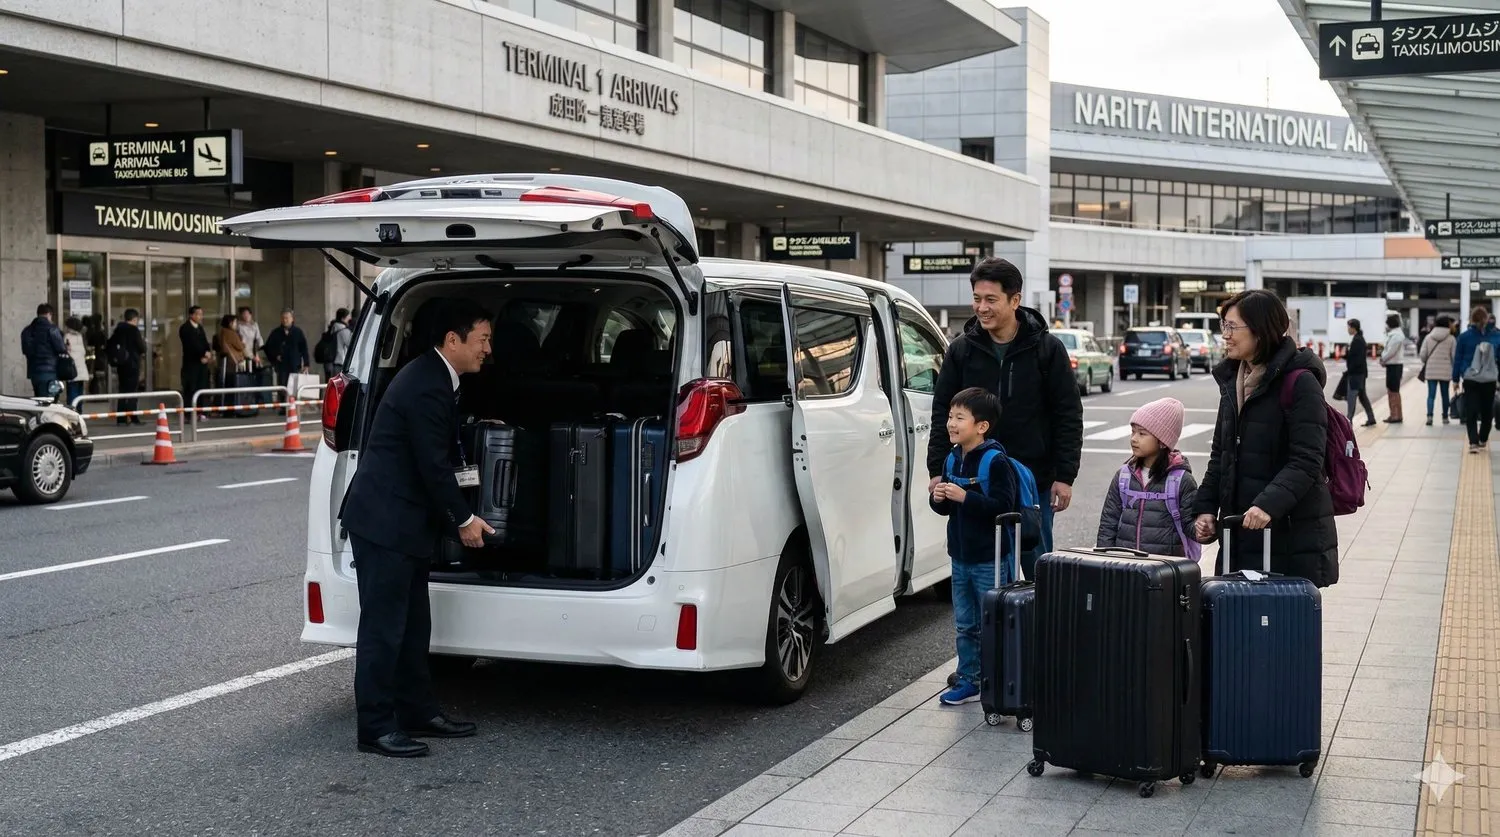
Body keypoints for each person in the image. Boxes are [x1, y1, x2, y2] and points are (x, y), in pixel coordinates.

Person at [339, 298, 494, 758]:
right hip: (385, 522)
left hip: (402, 522)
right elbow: (432, 466)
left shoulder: (436, 377)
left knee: (412, 626)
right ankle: (375, 727)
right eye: (483, 339)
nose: (489, 349)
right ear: (454, 339)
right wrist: (464, 520)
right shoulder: (428, 384)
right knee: (384, 629)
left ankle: (418, 711)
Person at [927, 257, 1083, 579]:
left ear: (1015, 300)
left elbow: (1067, 413)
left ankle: (1039, 629)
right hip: (975, 480)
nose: (981, 308)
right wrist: (936, 469)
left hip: (1032, 480)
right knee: (985, 575)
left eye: (991, 300)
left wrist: (1065, 475)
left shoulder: (1047, 350)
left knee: (1039, 574)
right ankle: (993, 630)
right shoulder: (961, 351)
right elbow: (944, 410)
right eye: (976, 299)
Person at [1191, 289, 1338, 588]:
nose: (1226, 336)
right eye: (1224, 327)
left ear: (1260, 330)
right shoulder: (1234, 381)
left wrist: (1268, 505)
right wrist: (1205, 508)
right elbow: (1221, 455)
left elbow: (1308, 460)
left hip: (1285, 533)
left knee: (1279, 625)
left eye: (1232, 327)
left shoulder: (1300, 382)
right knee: (1237, 624)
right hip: (1240, 530)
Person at [928, 387, 1017, 707]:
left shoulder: (996, 461)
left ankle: (1003, 678)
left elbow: (1006, 507)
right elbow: (945, 508)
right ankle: (970, 678)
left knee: (995, 621)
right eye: (950, 417)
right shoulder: (952, 457)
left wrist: (967, 497)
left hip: (990, 557)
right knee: (965, 623)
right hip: (960, 555)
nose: (951, 423)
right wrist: (938, 499)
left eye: (959, 418)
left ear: (982, 426)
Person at [1096, 397, 1200, 560]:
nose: (1134, 439)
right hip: (1125, 566)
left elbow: (1191, 527)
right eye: (1133, 431)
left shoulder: (1181, 480)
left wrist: (1204, 529)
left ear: (1162, 441)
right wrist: (1103, 561)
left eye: (1142, 433)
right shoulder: (1123, 476)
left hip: (1163, 571)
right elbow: (1108, 524)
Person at [1452, 305, 1500, 453]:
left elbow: (1458, 359)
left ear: (1471, 319)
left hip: (1470, 378)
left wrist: (1455, 379)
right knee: (1487, 411)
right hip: (1490, 379)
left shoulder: (1464, 337)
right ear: (1486, 318)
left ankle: (1473, 442)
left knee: (1471, 410)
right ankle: (1483, 438)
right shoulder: (1496, 336)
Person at [106, 310, 148, 425]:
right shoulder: (133, 330)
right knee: (132, 391)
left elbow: (109, 345)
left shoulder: (118, 330)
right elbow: (142, 348)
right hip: (132, 364)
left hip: (121, 365)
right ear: (135, 319)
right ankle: (133, 417)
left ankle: (121, 418)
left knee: (123, 391)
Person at [20, 303, 66, 399]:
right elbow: (61, 348)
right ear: (49, 314)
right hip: (50, 371)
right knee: (49, 402)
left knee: (39, 400)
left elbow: (25, 350)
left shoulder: (27, 330)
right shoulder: (52, 329)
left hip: (34, 372)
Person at [1418, 315, 1456, 426]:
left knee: (1431, 395)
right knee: (1445, 395)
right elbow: (1454, 356)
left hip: (1431, 370)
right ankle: (1445, 417)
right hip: (1445, 370)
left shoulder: (1429, 337)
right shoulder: (1451, 338)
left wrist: (1429, 361)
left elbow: (1422, 355)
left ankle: (1429, 417)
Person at [264, 308, 310, 390]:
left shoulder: (298, 332)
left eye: (287, 318)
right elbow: (268, 348)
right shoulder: (276, 332)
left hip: (295, 365)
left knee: (294, 389)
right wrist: (275, 356)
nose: (285, 320)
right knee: (283, 388)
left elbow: (304, 348)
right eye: (283, 318)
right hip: (282, 366)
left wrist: (306, 364)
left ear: (292, 319)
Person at [179, 305, 213, 413]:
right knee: (190, 388)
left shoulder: (200, 327)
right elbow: (191, 345)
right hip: (191, 363)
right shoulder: (185, 328)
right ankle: (190, 413)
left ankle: (201, 412)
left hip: (202, 364)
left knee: (201, 387)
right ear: (191, 315)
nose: (200, 317)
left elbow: (204, 342)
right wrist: (202, 354)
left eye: (201, 314)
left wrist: (207, 353)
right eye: (198, 314)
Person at [1343, 319, 1377, 427]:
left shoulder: (1357, 340)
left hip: (1355, 375)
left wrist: (1350, 368)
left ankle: (1349, 422)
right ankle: (1371, 418)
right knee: (1362, 397)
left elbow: (1357, 359)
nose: (1348, 329)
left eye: (1349, 327)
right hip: (1360, 374)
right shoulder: (1359, 339)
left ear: (1353, 327)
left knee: (1351, 398)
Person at [1380, 313, 1406, 424]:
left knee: (1393, 391)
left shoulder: (1396, 336)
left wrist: (1383, 359)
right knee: (1393, 390)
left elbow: (1391, 351)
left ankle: (1395, 415)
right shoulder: (1395, 335)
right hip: (1394, 364)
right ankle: (1396, 414)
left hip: (1394, 365)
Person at [216, 314, 248, 404]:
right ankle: (233, 405)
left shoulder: (221, 332)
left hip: (226, 362)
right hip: (233, 362)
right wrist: (243, 343)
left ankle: (225, 405)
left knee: (225, 384)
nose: (236, 324)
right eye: (235, 322)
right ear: (230, 323)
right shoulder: (230, 333)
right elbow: (240, 346)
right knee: (233, 384)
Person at [62, 317, 89, 405]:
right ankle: (79, 412)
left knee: (72, 393)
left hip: (72, 369)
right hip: (81, 369)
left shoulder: (67, 336)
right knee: (79, 393)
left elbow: (65, 350)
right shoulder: (80, 337)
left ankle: (72, 411)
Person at [324, 308, 353, 379]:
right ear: (343, 318)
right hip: (339, 362)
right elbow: (350, 345)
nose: (349, 320)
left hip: (328, 361)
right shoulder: (344, 330)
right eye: (348, 318)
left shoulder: (332, 327)